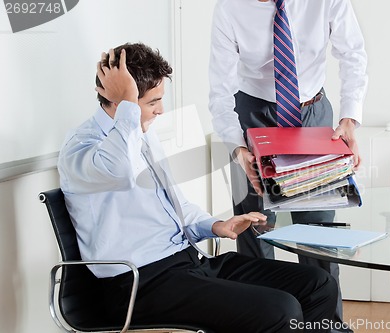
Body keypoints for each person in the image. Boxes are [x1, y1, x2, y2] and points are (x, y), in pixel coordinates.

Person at [57, 42, 340, 333]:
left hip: (188, 263)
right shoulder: (81, 147)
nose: (160, 110)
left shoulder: (142, 135)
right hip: (139, 284)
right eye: (152, 102)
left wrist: (217, 225)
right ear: (120, 100)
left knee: (317, 285)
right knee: (280, 309)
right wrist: (128, 103)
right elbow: (119, 171)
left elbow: (176, 208)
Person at [208, 1, 368, 331]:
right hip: (252, 116)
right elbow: (220, 91)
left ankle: (326, 326)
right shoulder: (230, 8)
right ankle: (267, 324)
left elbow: (353, 54)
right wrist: (238, 148)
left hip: (311, 115)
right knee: (255, 231)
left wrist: (349, 118)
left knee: (318, 235)